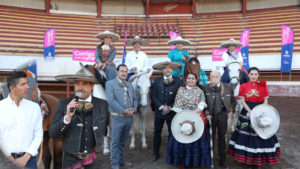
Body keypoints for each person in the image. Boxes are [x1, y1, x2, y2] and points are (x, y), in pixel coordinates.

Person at [49, 65, 109, 169]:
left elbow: (105, 129)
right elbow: (53, 134)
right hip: (69, 161)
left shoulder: (102, 105)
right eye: (77, 83)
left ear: (92, 86)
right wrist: (67, 117)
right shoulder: (63, 104)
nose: (80, 87)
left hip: (93, 160)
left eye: (84, 83)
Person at [227, 67, 281, 169]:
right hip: (247, 111)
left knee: (260, 134)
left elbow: (265, 100)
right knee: (247, 136)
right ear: (248, 75)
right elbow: (242, 102)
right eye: (252, 74)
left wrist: (260, 111)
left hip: (261, 111)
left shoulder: (263, 85)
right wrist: (251, 112)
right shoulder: (243, 86)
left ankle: (257, 160)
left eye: (256, 74)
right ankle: (247, 158)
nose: (254, 76)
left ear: (258, 75)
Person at [166, 72, 211, 169]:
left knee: (196, 138)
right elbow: (177, 105)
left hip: (195, 117)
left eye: (193, 78)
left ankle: (194, 162)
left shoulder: (200, 91)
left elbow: (202, 102)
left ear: (196, 81)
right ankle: (181, 163)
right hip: (182, 117)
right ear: (186, 80)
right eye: (189, 78)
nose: (190, 80)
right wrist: (184, 114)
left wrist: (197, 110)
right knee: (181, 140)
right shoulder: (180, 90)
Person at [0, 71, 43, 169]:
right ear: (12, 88)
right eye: (23, 84)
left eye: (27, 83)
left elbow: (38, 135)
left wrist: (25, 157)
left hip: (29, 161)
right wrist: (10, 158)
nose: (27, 87)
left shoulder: (34, 108)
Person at [105, 64, 138, 169]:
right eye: (122, 71)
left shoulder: (130, 85)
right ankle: (115, 164)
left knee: (123, 142)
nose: (124, 73)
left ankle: (121, 161)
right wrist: (123, 111)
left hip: (129, 118)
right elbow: (111, 100)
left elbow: (135, 99)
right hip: (116, 118)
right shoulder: (110, 83)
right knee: (115, 142)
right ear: (117, 72)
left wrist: (134, 109)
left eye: (126, 71)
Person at [202, 71, 236, 169]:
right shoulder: (205, 88)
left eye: (217, 76)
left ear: (220, 77)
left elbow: (233, 101)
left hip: (222, 116)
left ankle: (223, 159)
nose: (215, 78)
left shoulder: (228, 87)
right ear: (210, 77)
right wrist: (207, 113)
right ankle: (209, 159)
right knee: (210, 138)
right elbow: (202, 102)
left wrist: (228, 110)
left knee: (222, 138)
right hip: (210, 117)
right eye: (213, 76)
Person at [151, 61, 182, 162]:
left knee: (172, 133)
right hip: (160, 112)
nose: (167, 70)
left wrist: (170, 107)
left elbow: (180, 97)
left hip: (172, 112)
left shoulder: (178, 81)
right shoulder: (157, 80)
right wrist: (161, 107)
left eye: (169, 68)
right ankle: (155, 153)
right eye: (165, 68)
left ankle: (171, 153)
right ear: (162, 70)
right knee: (157, 133)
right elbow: (153, 95)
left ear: (172, 69)